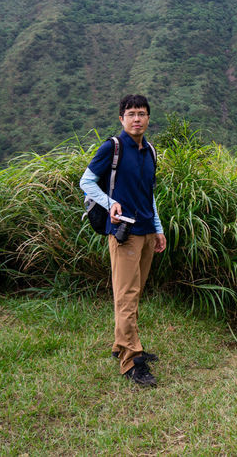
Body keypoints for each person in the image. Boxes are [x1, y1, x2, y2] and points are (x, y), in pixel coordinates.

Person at [79, 94, 166, 387]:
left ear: (148, 118)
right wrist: (109, 203)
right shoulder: (112, 148)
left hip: (146, 231)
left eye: (142, 113)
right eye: (131, 114)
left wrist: (158, 228)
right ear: (121, 119)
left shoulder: (150, 151)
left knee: (135, 292)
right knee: (126, 295)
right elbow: (86, 182)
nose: (137, 119)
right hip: (124, 233)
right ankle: (132, 360)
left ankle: (121, 344)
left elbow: (148, 194)